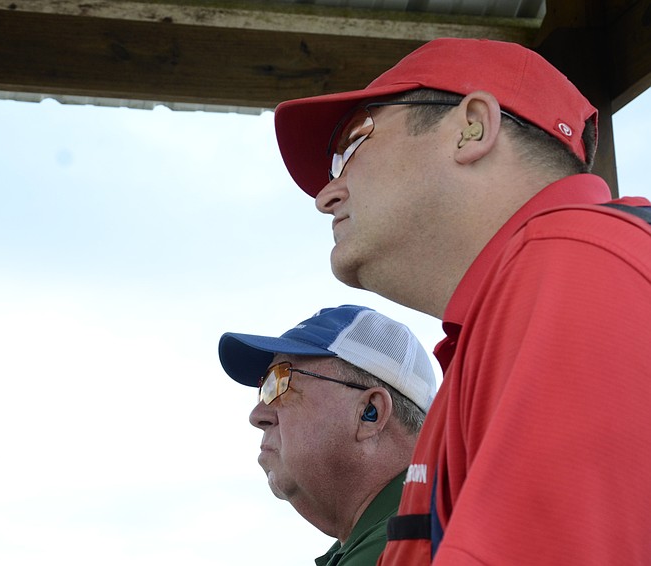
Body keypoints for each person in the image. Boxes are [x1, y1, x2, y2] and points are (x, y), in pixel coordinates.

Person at [272, 37, 651, 564]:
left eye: (353, 144)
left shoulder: (578, 264)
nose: (326, 195)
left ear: (471, 127)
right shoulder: (519, 305)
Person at [219, 304, 437, 565]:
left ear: (370, 413)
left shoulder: (406, 546)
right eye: (264, 387)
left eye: (281, 381)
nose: (257, 416)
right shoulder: (394, 532)